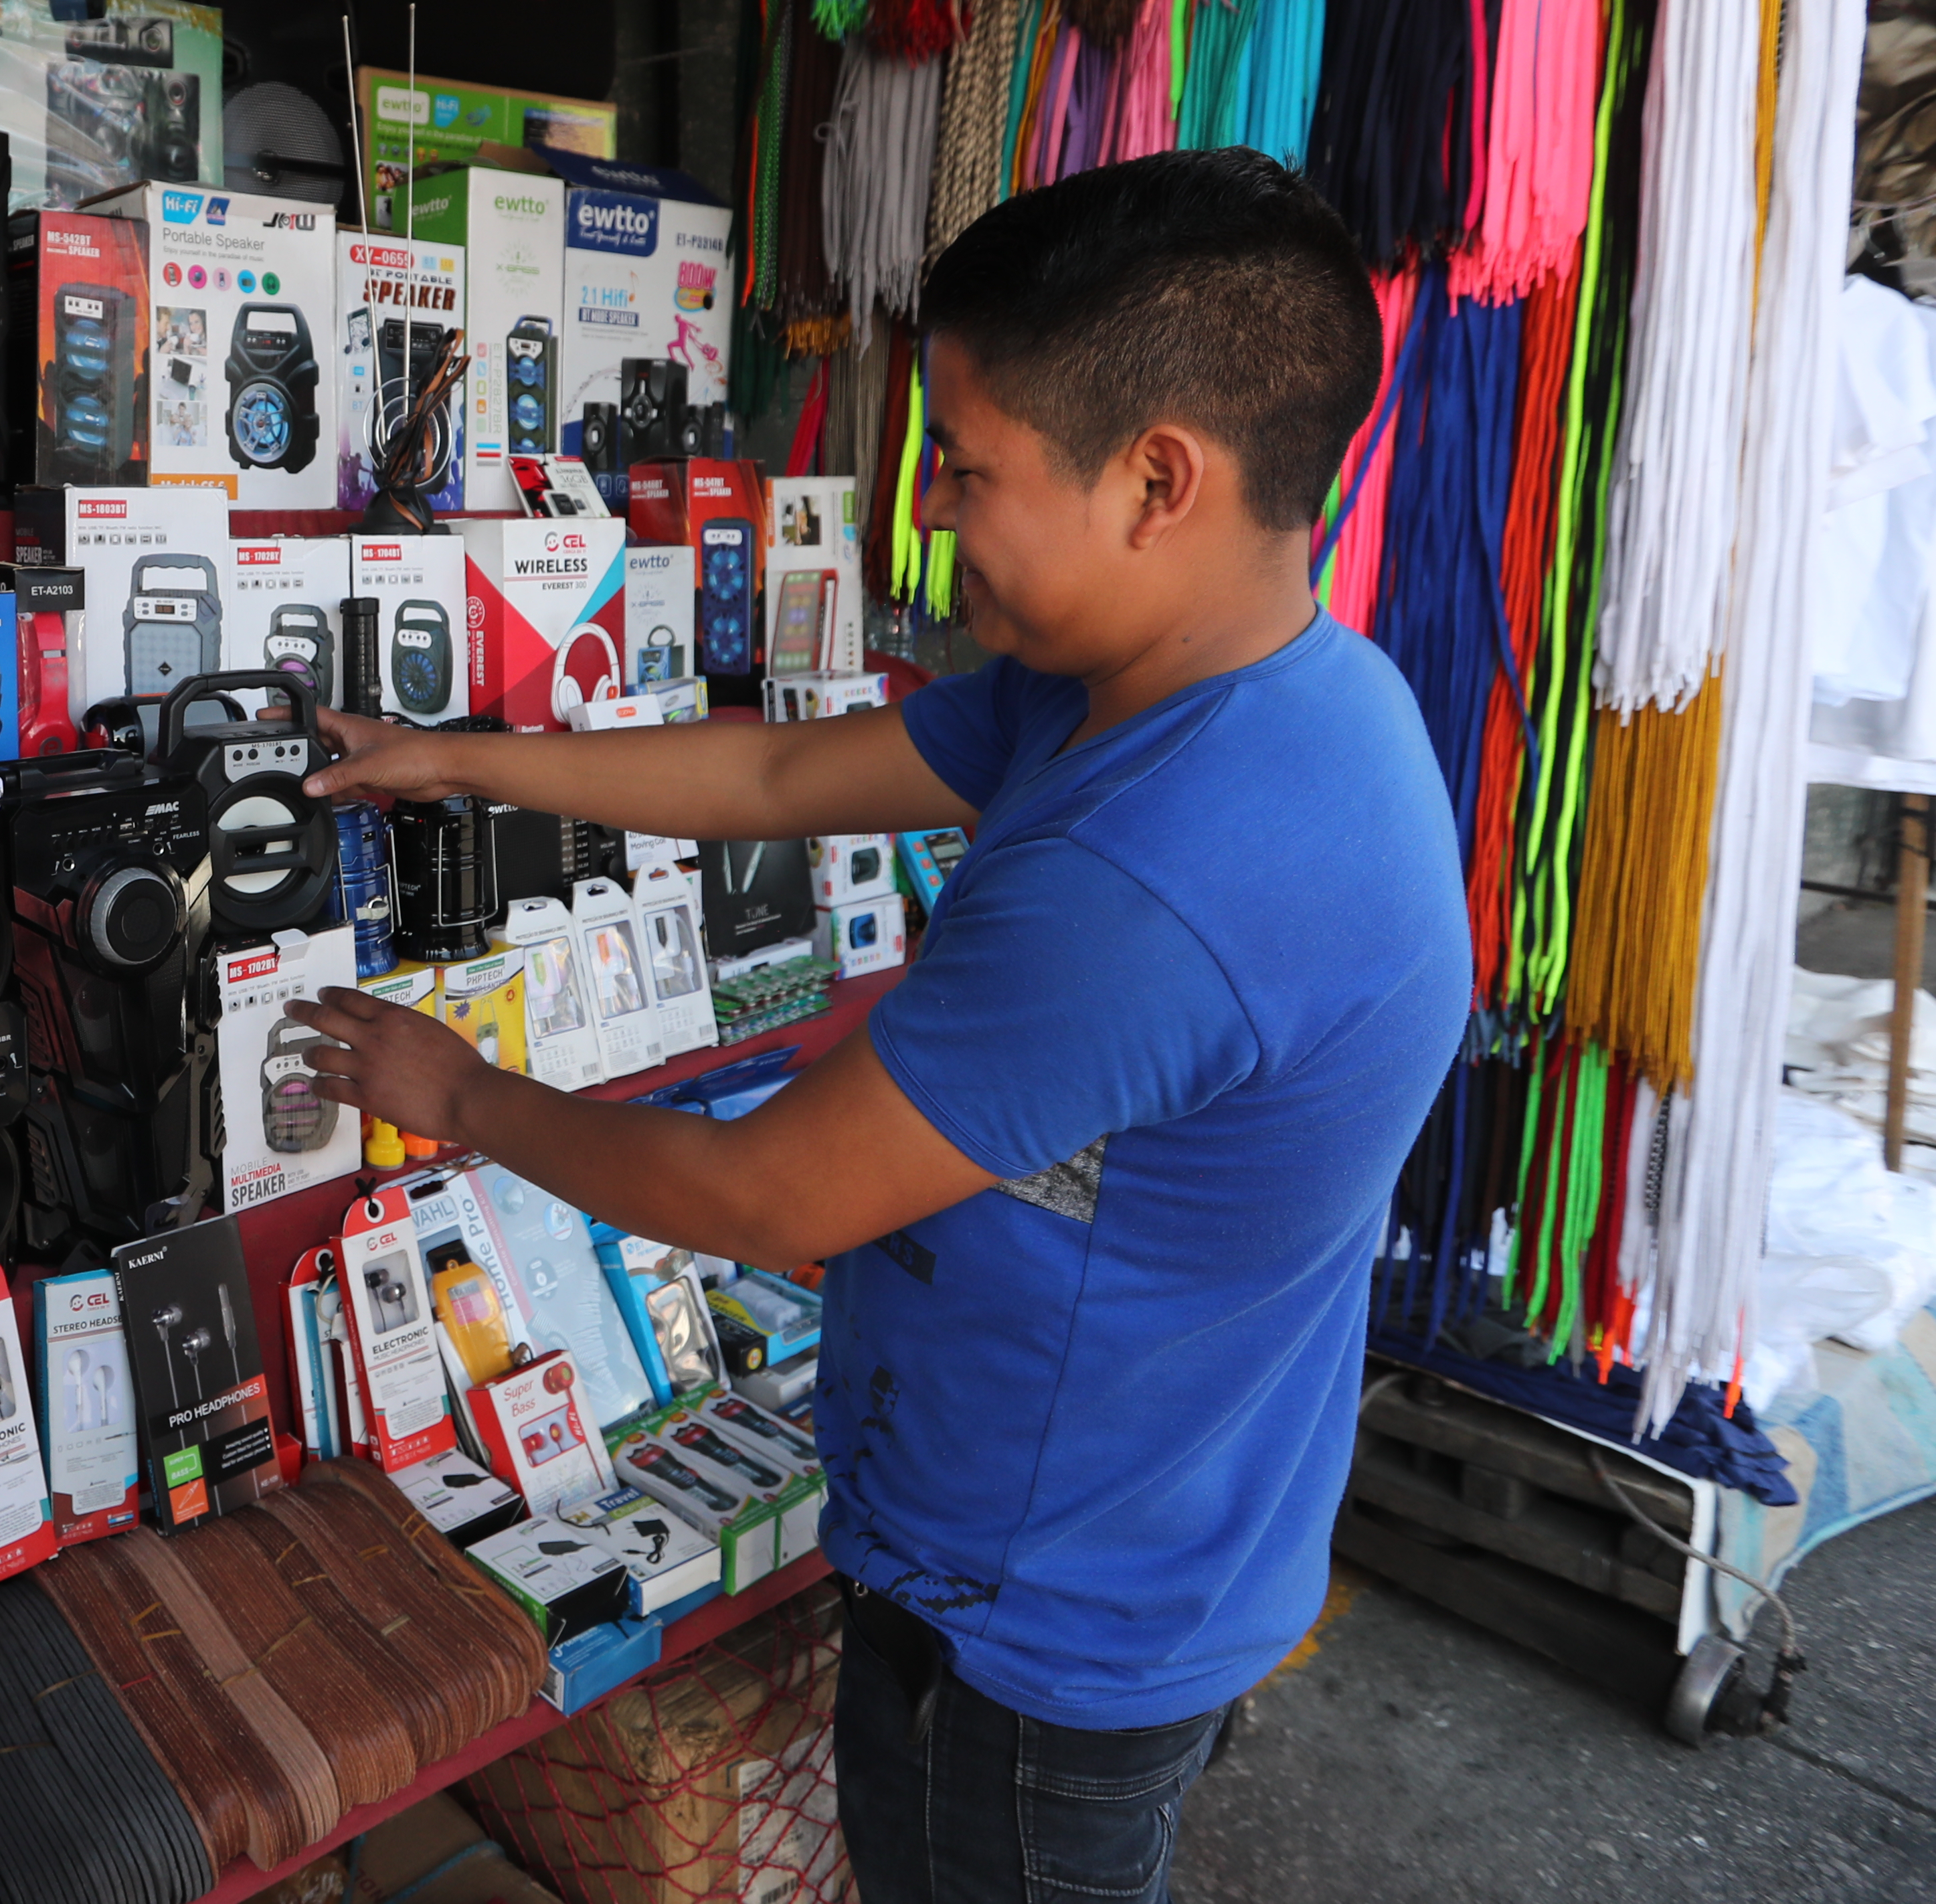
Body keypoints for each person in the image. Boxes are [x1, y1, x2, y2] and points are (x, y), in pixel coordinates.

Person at [288, 149, 1470, 1904]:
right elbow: (780, 774)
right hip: (1148, 1531)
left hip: (1038, 1632)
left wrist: (458, 1093)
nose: (924, 509)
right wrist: (457, 758)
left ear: (1160, 481)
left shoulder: (1160, 878)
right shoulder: (1236, 688)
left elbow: (768, 1198)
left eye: (970, 470)